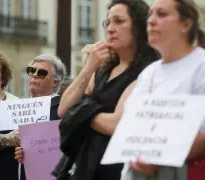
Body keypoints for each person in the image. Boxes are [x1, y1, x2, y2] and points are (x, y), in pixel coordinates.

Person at [55, 0, 159, 179]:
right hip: (86, 166)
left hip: (118, 169)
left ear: (138, 26)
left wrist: (80, 110)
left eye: (118, 21)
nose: (110, 28)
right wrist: (89, 67)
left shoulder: (148, 71)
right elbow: (64, 109)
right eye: (108, 22)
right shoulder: (104, 70)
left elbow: (116, 124)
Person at [119, 0, 205, 180]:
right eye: (150, 14)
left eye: (162, 14)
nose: (151, 21)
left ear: (186, 24)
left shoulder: (201, 66)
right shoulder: (149, 72)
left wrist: (159, 157)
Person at [14, 54, 67, 179]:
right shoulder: (19, 110)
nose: (34, 75)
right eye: (31, 71)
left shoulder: (62, 109)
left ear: (55, 81)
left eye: (42, 73)